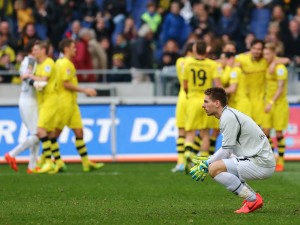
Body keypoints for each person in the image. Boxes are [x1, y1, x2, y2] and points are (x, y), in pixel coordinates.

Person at [190, 87, 275, 214]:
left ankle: (252, 199)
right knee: (217, 165)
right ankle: (252, 198)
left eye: (206, 101)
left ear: (217, 103)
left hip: (260, 163)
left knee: (214, 169)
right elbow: (229, 151)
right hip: (257, 159)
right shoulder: (228, 115)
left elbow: (226, 151)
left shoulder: (228, 117)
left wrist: (207, 163)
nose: (203, 105)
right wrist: (209, 160)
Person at [54, 38, 104, 173]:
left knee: (79, 132)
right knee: (55, 134)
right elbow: (65, 83)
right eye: (73, 47)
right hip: (64, 103)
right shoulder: (65, 64)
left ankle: (86, 162)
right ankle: (53, 161)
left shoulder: (61, 62)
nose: (75, 49)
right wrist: (85, 90)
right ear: (66, 49)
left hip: (71, 103)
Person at [4, 39, 44, 173]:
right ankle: (12, 154)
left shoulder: (30, 61)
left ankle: (32, 166)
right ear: (32, 49)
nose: (40, 50)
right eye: (37, 48)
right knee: (37, 133)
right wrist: (37, 83)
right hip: (29, 100)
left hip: (29, 99)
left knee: (36, 133)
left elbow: (26, 76)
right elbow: (26, 78)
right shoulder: (31, 61)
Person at [182, 40, 221, 174]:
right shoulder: (212, 64)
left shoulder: (187, 63)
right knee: (205, 133)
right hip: (206, 100)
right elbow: (217, 84)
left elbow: (185, 85)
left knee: (190, 132)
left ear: (194, 50)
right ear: (206, 51)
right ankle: (202, 165)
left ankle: (187, 153)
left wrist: (189, 95)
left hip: (192, 100)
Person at [23, 40, 58, 173]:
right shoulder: (39, 64)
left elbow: (43, 80)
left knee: (40, 130)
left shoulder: (48, 63)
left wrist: (28, 75)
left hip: (50, 100)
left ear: (43, 50)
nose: (34, 52)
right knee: (49, 132)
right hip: (42, 100)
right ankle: (55, 161)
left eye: (36, 50)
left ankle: (49, 161)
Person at [262, 43, 289, 172]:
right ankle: (273, 157)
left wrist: (271, 102)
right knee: (265, 132)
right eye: (264, 54)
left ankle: (281, 161)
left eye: (267, 54)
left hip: (278, 104)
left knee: (278, 133)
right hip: (268, 103)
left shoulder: (280, 68)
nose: (265, 56)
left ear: (273, 54)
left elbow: (280, 88)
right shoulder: (267, 65)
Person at [172, 42, 194, 173]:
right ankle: (190, 157)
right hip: (193, 97)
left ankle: (180, 161)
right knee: (193, 131)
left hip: (182, 97)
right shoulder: (195, 63)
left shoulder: (180, 61)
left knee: (181, 130)